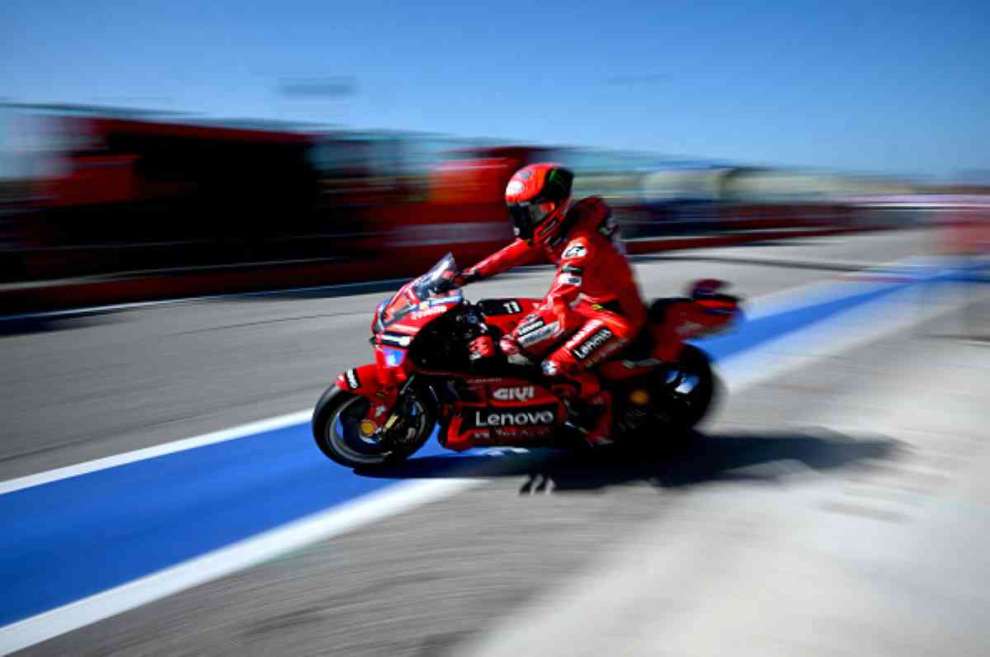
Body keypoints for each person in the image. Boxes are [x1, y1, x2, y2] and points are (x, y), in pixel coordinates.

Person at [455, 162, 646, 446]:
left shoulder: (581, 241)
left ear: (552, 207)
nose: (523, 220)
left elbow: (565, 286)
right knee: (498, 318)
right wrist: (469, 275)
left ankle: (603, 424)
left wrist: (538, 325)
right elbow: (515, 252)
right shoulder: (555, 228)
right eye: (518, 212)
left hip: (617, 317)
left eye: (529, 212)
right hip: (590, 305)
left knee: (554, 367)